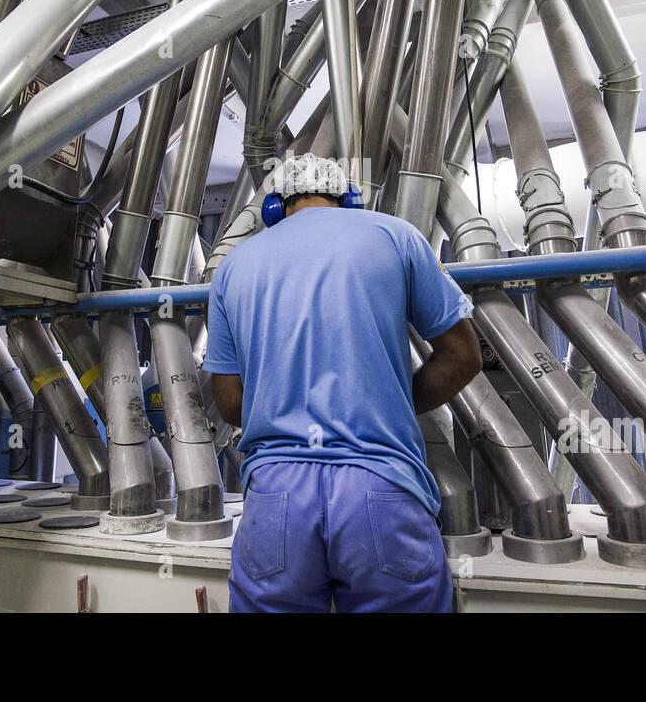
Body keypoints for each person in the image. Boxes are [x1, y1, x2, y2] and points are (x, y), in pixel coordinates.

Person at [204, 152, 483, 612]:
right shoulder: (397, 237)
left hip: (276, 499)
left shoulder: (234, 266)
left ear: (274, 207)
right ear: (350, 198)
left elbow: (230, 402)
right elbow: (463, 356)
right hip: (382, 488)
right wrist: (388, 401)